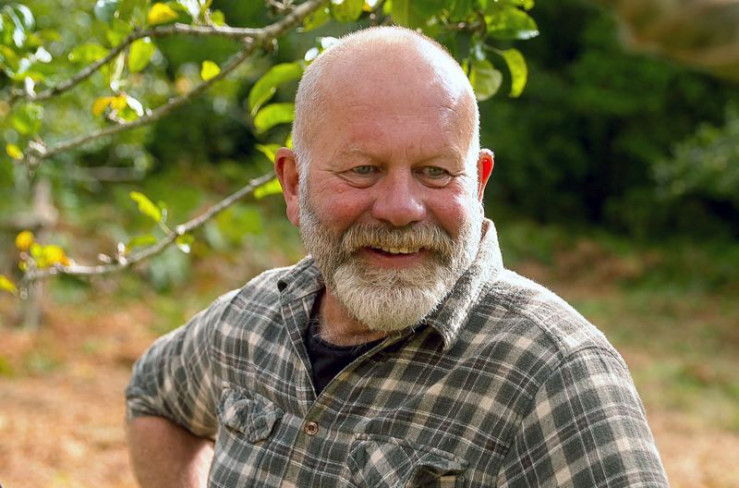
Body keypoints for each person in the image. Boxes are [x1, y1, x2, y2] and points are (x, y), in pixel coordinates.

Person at [125, 26, 669, 487]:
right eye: (363, 170)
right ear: (293, 184)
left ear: (478, 184)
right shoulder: (252, 320)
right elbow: (154, 395)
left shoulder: (555, 374)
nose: (401, 209)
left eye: (435, 172)